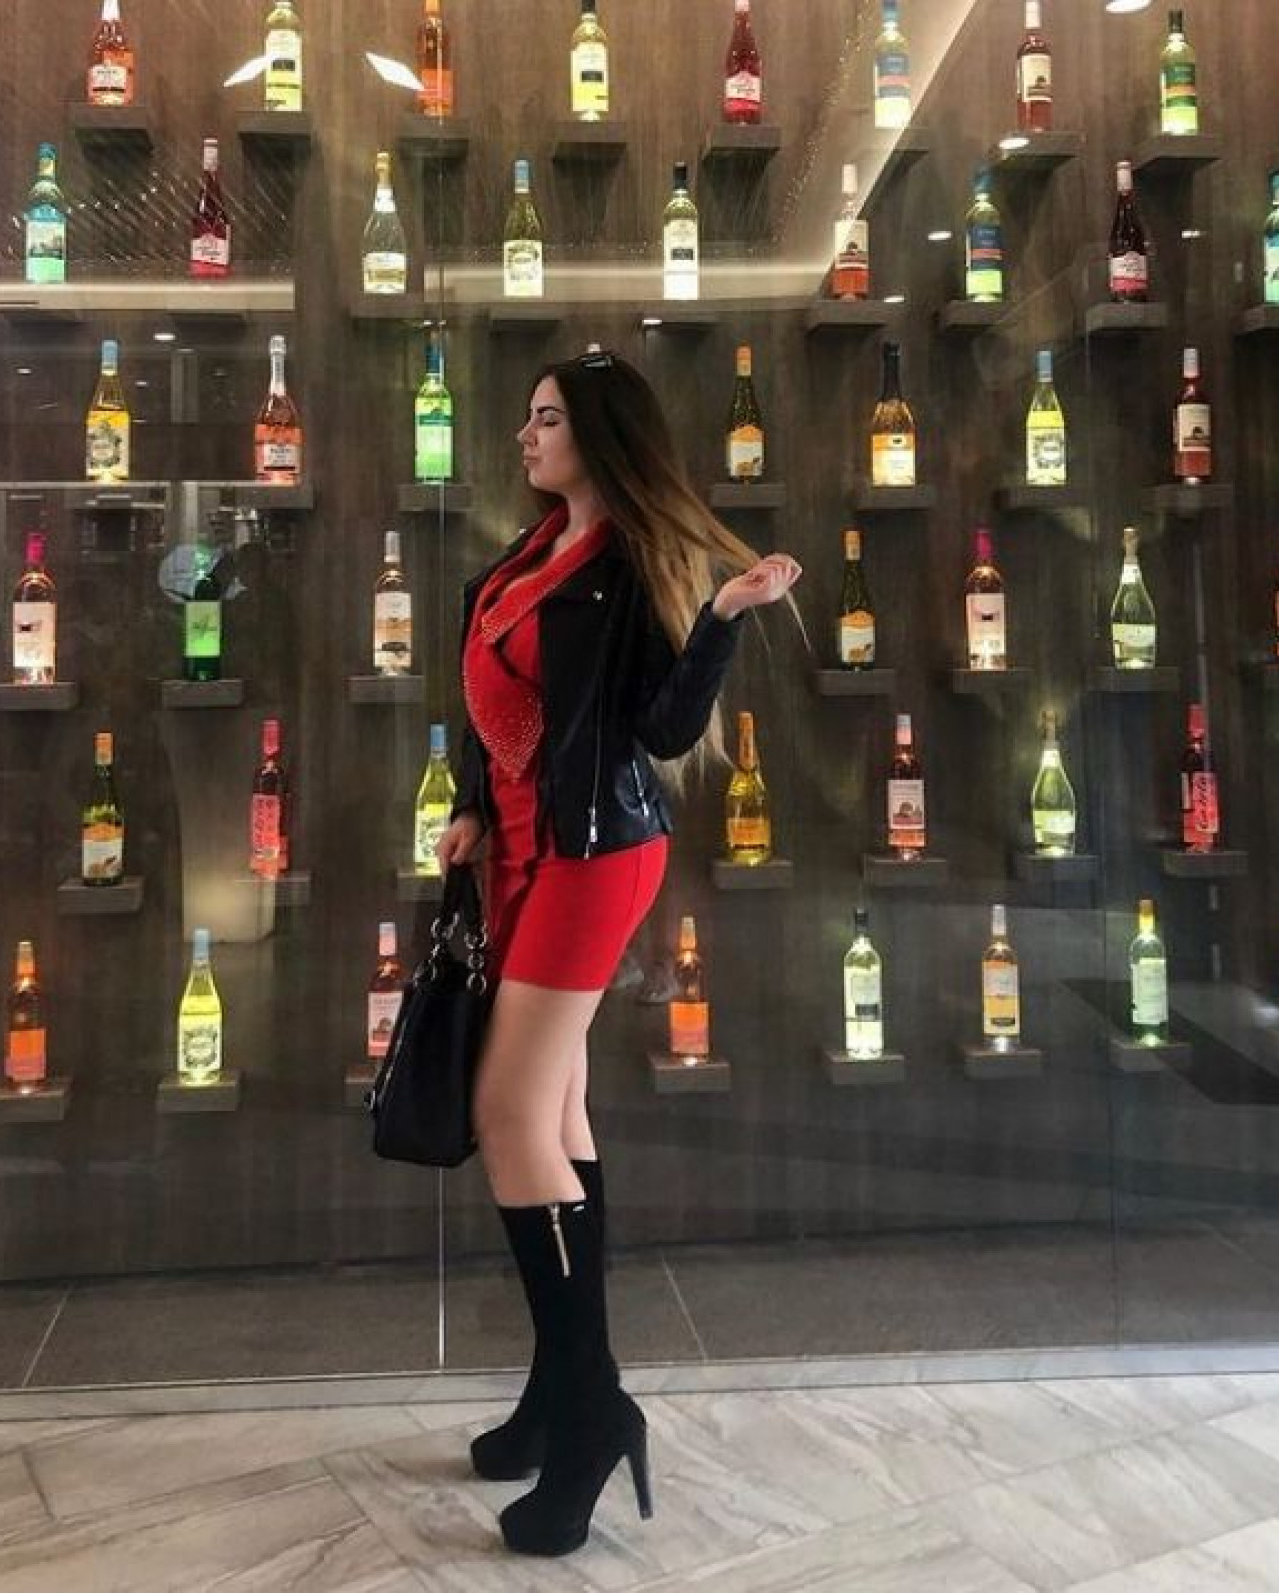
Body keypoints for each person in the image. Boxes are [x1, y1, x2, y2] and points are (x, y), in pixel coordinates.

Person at [433, 350, 801, 1557]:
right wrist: (475, 804)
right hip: (522, 851)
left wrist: (722, 622)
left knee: (507, 1112)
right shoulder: (530, 554)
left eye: (546, 418)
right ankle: (560, 1393)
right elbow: (493, 700)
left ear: (599, 433)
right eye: (527, 417)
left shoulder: (632, 562)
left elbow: (659, 726)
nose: (525, 436)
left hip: (594, 855)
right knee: (554, 1110)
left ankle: (593, 1413)